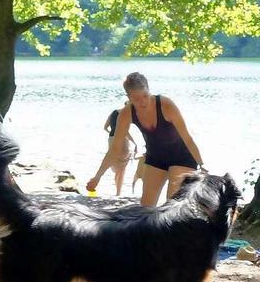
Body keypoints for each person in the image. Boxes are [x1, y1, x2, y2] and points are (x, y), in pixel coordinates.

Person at [87, 72, 205, 207]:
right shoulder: (126, 113)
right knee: (146, 208)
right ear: (128, 97)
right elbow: (114, 149)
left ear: (148, 89)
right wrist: (97, 177)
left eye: (145, 95)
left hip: (182, 157)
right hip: (155, 157)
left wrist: (201, 163)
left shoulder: (165, 105)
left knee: (172, 208)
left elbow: (187, 137)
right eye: (136, 99)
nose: (142, 102)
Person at [102, 101, 137, 196]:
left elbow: (105, 127)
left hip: (111, 140)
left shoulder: (113, 113)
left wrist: (112, 133)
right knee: (122, 169)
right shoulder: (127, 115)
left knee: (116, 167)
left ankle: (117, 192)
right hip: (123, 142)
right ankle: (118, 193)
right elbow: (125, 132)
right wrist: (134, 142)